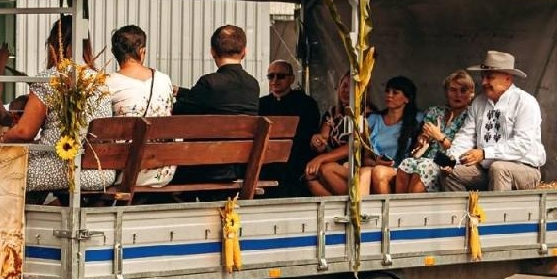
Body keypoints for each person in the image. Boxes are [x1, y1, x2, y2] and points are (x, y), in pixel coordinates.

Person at [0, 20, 115, 195]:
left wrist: (3, 139)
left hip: (67, 169)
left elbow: (24, 132)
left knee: (4, 170)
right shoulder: (99, 80)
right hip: (102, 172)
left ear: (53, 45)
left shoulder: (51, 78)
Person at [442, 50, 546, 192]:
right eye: (483, 76)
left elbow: (522, 144)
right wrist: (451, 159)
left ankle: (497, 214)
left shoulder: (525, 101)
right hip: (486, 169)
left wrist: (484, 153)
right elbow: (466, 136)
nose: (484, 82)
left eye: (490, 77)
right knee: (449, 173)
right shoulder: (479, 102)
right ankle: (464, 213)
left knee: (499, 168)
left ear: (508, 79)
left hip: (524, 169)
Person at [306, 76, 420, 197]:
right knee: (323, 171)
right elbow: (365, 154)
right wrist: (376, 161)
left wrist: (322, 157)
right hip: (371, 166)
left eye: (395, 93)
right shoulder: (374, 119)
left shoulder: (417, 119)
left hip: (398, 170)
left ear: (407, 99)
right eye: (387, 91)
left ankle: (363, 212)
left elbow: (355, 145)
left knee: (367, 172)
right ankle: (349, 211)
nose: (389, 95)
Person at [104, 25, 176, 188]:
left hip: (125, 171)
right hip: (163, 170)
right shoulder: (164, 79)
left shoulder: (107, 83)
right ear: (142, 51)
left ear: (115, 53)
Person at [393, 70, 475, 193]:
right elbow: (421, 139)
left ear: (471, 94)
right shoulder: (435, 111)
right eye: (452, 90)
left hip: (450, 162)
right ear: (446, 92)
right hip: (427, 158)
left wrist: (439, 136)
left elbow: (462, 148)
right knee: (407, 163)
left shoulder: (471, 115)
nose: (458, 95)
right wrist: (422, 139)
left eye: (463, 90)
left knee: (424, 167)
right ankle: (398, 209)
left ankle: (411, 209)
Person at [258, 59, 320, 196]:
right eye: (271, 76)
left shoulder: (306, 103)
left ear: (291, 79)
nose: (275, 80)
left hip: (295, 160)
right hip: (267, 160)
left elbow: (308, 134)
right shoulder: (261, 104)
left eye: (280, 76)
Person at [171, 25, 259, 116]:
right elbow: (211, 101)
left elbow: (177, 110)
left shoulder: (210, 83)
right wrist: (180, 92)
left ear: (212, 52)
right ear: (244, 52)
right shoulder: (253, 84)